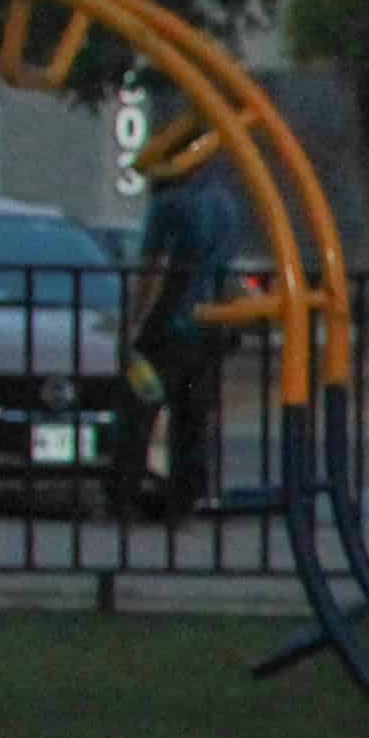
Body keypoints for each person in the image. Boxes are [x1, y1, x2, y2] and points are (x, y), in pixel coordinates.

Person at [123, 154, 239, 514]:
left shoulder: (169, 205)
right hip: (210, 323)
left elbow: (153, 267)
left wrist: (134, 320)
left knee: (139, 406)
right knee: (193, 415)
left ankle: (125, 492)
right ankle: (187, 497)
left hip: (171, 321)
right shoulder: (223, 202)